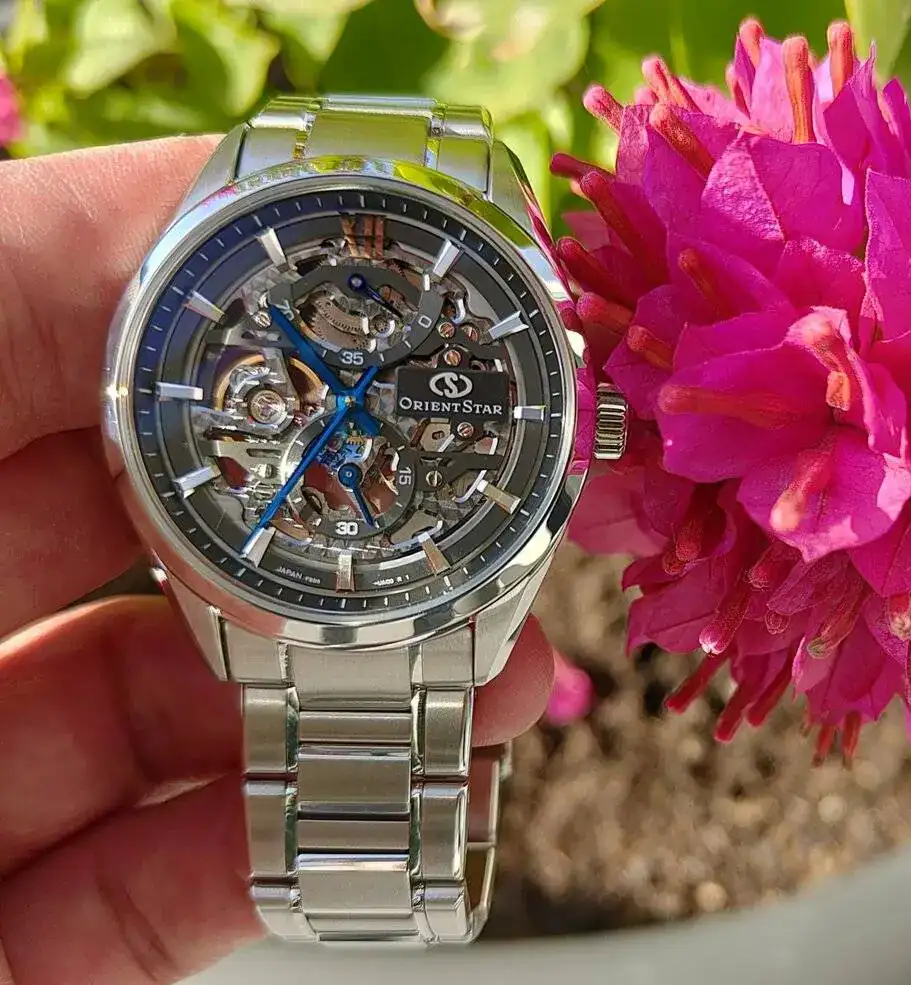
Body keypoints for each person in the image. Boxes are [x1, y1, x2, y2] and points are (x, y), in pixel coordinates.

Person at [0, 137, 555, 984]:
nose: (351, 396)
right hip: (289, 563)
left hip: (368, 564)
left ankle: (407, 885)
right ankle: (392, 889)